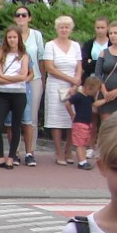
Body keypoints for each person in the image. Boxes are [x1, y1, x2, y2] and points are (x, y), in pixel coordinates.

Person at [0, 27, 32, 168]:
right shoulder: (2, 54)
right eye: (9, 37)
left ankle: (12, 156)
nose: (12, 40)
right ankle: (0, 156)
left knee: (16, 125)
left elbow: (23, 76)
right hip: (4, 94)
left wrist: (3, 76)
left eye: (14, 37)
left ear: (19, 38)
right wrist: (8, 78)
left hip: (19, 94)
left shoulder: (24, 55)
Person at [42, 15, 82, 165]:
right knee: (57, 119)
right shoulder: (50, 45)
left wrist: (75, 84)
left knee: (72, 118)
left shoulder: (76, 46)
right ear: (57, 29)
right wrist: (71, 79)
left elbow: (79, 67)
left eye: (66, 27)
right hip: (56, 85)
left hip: (72, 87)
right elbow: (49, 68)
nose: (64, 30)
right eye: (61, 27)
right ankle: (58, 151)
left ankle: (68, 149)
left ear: (71, 29)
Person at [13, 6, 44, 165]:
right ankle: (15, 151)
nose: (21, 17)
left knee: (32, 117)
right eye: (18, 15)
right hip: (14, 80)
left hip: (34, 78)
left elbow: (41, 58)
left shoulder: (36, 35)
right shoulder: (12, 35)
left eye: (24, 15)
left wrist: (43, 80)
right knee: (16, 116)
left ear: (29, 18)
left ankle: (30, 151)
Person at [65, 75, 101, 170]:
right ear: (88, 88)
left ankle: (83, 160)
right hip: (79, 122)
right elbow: (68, 103)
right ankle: (82, 162)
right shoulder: (78, 96)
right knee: (80, 144)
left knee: (84, 143)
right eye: (94, 91)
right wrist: (72, 114)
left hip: (87, 123)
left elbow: (95, 104)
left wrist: (106, 100)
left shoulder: (89, 97)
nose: (94, 94)